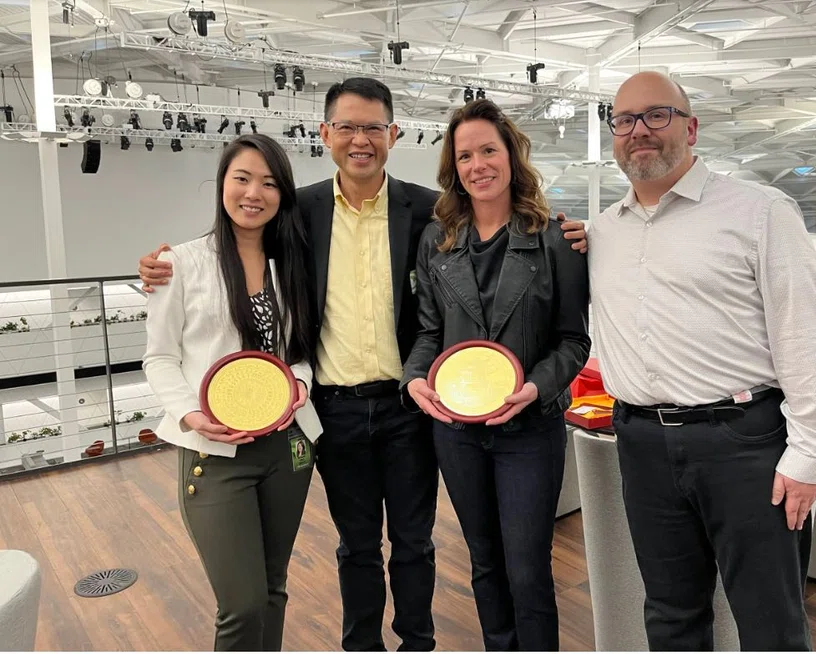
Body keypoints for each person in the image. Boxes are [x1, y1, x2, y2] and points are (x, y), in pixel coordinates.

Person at [137, 77, 589, 651]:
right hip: (335, 409)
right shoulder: (299, 211)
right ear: (325, 133)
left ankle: (417, 643)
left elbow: (452, 305)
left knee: (416, 543)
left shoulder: (429, 211)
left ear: (393, 134)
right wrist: (164, 267)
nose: (360, 139)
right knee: (356, 546)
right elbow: (237, 237)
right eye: (347, 126)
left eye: (372, 127)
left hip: (410, 406)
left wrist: (580, 232)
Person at [587, 72, 816, 651]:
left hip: (745, 445)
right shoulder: (603, 231)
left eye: (656, 115)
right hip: (641, 443)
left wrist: (810, 454)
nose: (638, 130)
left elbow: (807, 334)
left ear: (691, 127)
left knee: (771, 623)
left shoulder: (759, 211)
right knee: (670, 614)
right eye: (624, 120)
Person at [402, 99, 591, 651]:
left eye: (488, 150)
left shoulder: (555, 239)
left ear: (511, 155)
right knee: (484, 562)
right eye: (465, 156)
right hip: (457, 432)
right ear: (453, 167)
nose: (478, 165)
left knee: (528, 568)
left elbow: (574, 341)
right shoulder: (437, 241)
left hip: (529, 430)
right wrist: (415, 378)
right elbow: (429, 333)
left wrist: (535, 388)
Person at [142, 134, 321, 651]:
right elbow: (159, 357)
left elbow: (300, 352)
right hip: (217, 452)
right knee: (241, 604)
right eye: (242, 178)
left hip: (287, 447)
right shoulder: (181, 263)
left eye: (269, 183)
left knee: (273, 588)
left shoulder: (291, 262)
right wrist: (190, 414)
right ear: (222, 183)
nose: (253, 193)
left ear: (283, 194)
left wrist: (299, 384)